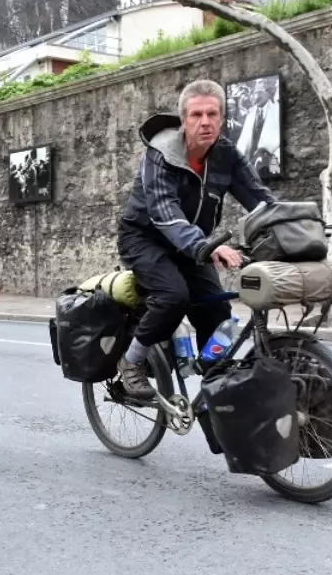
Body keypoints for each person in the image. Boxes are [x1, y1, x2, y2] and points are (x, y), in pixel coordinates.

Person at [115, 79, 277, 399]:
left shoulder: (226, 155)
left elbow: (261, 202)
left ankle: (214, 377)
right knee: (173, 296)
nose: (205, 122)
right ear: (183, 120)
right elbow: (164, 212)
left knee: (219, 315)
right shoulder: (160, 153)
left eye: (212, 114)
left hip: (193, 243)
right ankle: (131, 362)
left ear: (221, 118)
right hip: (145, 239)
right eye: (196, 115)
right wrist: (203, 245)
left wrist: (293, 229)